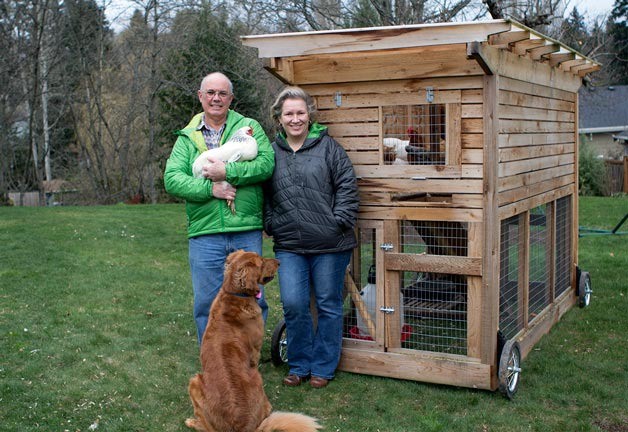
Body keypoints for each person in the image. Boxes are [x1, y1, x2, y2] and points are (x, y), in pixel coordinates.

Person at [164, 72, 275, 344]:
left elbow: (266, 164)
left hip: (245, 228)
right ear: (200, 96)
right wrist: (209, 189)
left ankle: (247, 358)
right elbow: (172, 179)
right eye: (210, 93)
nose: (216, 98)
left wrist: (228, 171)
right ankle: (214, 360)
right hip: (205, 232)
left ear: (231, 98)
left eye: (222, 93)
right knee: (207, 303)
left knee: (251, 298)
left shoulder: (249, 127)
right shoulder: (187, 138)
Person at [264, 86, 359, 389]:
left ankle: (322, 367)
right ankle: (299, 364)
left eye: (300, 113)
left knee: (329, 304)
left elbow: (347, 184)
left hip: (330, 243)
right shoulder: (271, 151)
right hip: (289, 244)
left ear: (309, 115)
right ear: (279, 118)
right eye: (289, 113)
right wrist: (270, 222)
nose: (295, 119)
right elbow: (263, 192)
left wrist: (339, 221)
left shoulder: (328, 147)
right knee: (293, 303)